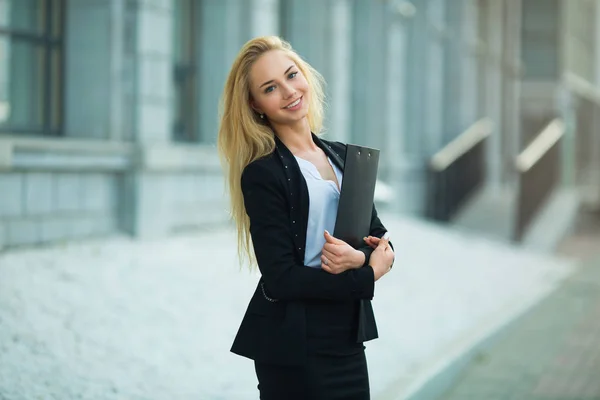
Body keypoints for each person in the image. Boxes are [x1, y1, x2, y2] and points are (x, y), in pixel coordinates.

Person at [217, 36, 395, 400]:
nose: (288, 91)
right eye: (270, 88)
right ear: (256, 105)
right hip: (294, 344)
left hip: (347, 336)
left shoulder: (345, 157)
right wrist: (367, 274)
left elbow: (378, 237)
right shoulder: (262, 174)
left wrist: (361, 258)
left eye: (291, 75)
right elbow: (281, 278)